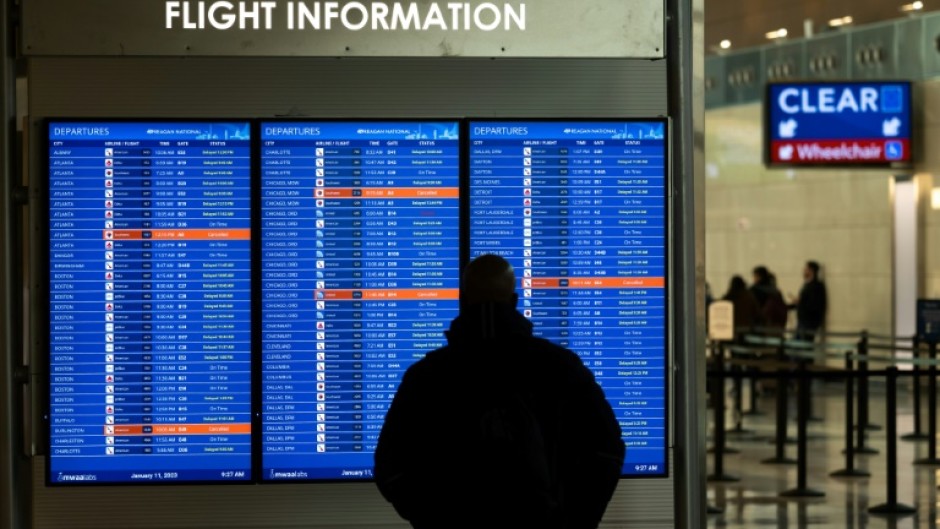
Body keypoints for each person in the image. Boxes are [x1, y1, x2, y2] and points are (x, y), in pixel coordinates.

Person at [374, 254, 625, 529]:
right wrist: (573, 521)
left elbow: (391, 467)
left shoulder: (426, 376)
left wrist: (433, 519)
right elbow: (606, 450)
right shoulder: (561, 367)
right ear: (514, 302)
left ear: (464, 300)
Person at [790, 260, 828, 343]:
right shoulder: (806, 285)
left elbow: (814, 305)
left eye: (806, 269)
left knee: (804, 346)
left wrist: (800, 302)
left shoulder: (816, 286)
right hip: (802, 321)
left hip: (809, 322)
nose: (803, 271)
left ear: (811, 271)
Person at [722, 275, 763, 341]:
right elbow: (757, 314)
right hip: (747, 330)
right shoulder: (749, 297)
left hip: (731, 332)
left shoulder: (728, 298)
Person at [750, 266, 788, 335]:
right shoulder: (776, 291)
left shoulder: (754, 290)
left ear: (758, 277)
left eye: (754, 276)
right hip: (776, 328)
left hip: (760, 327)